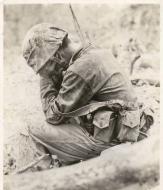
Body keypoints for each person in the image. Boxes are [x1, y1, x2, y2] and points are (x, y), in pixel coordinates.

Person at [22, 23, 150, 169]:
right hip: (127, 130)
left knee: (32, 128)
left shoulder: (80, 68)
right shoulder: (93, 52)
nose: (43, 73)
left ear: (56, 56)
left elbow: (52, 115)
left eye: (43, 68)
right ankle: (64, 164)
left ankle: (46, 176)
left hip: (115, 139)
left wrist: (47, 79)